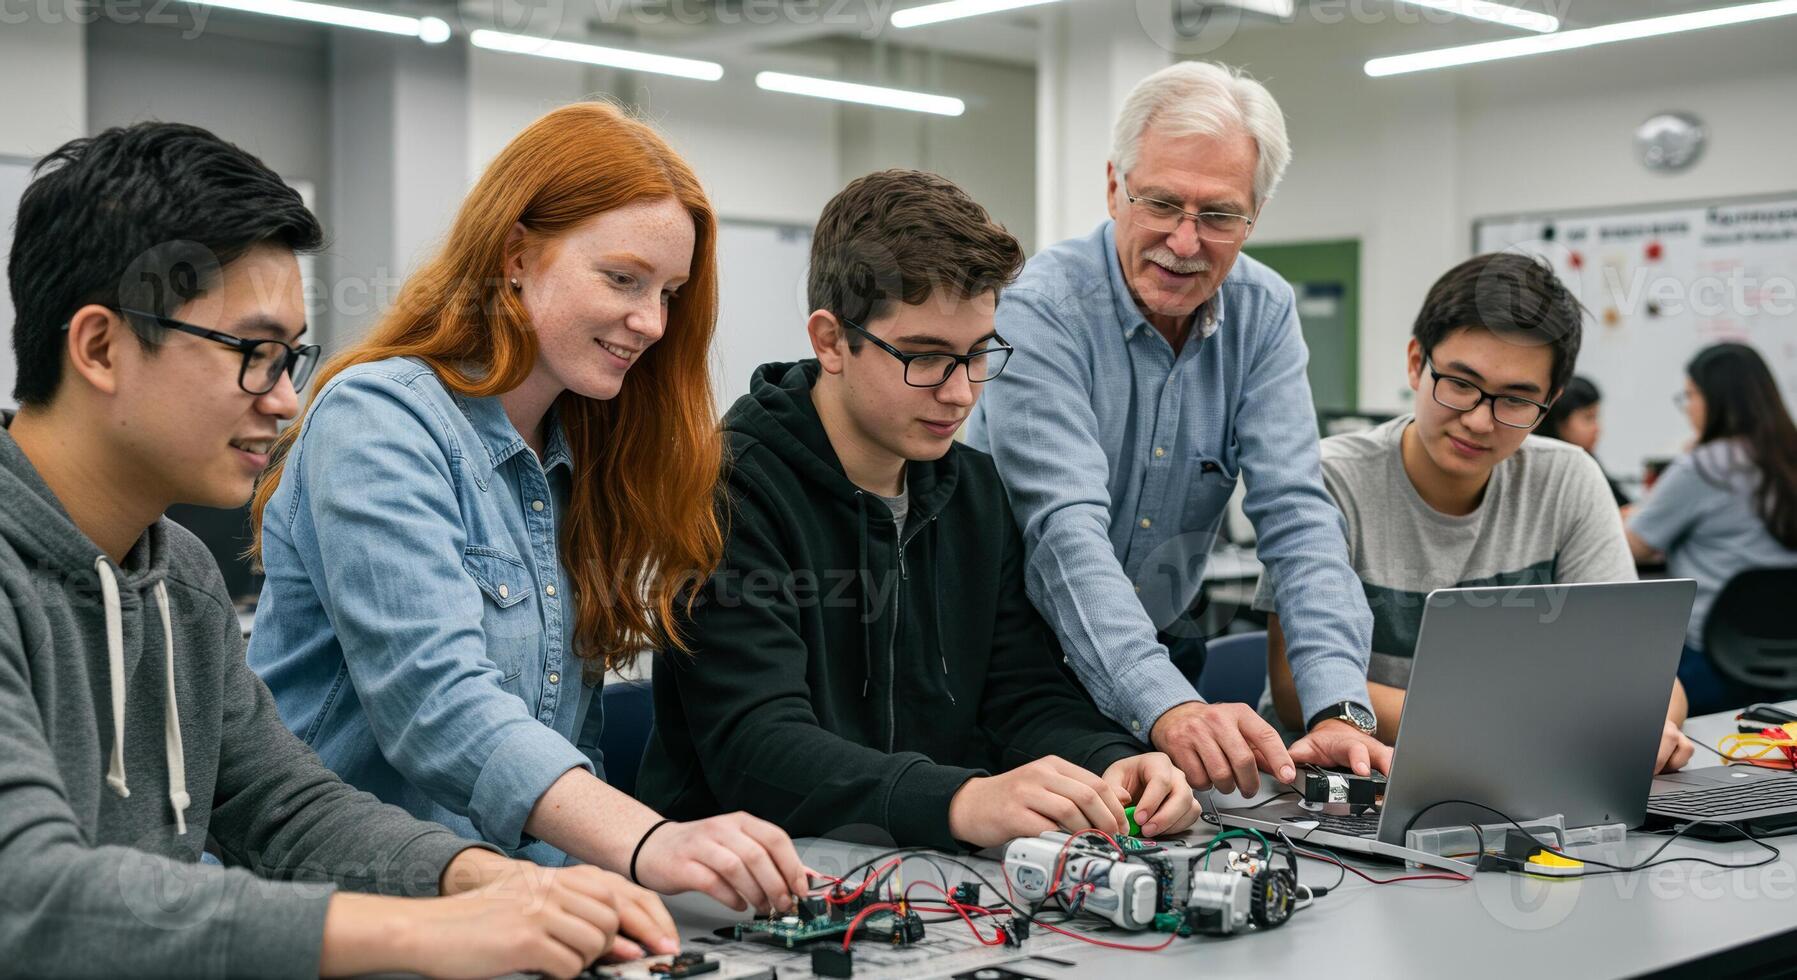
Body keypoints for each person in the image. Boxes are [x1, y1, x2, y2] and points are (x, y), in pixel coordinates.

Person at [0, 121, 655, 979]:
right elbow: (30, 896)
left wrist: (487, 880)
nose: (283, 400)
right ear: (99, 346)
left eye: (290, 358)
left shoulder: (180, 578)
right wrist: (428, 934)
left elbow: (287, 807)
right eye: (253, 355)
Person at [246, 103, 809, 917]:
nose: (651, 322)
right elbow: (437, 709)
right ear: (515, 256)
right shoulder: (380, 418)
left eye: (669, 292)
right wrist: (650, 842)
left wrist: (608, 898)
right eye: (622, 279)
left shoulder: (580, 455)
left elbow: (560, 750)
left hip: (510, 914)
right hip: (345, 914)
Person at [639, 170, 1203, 850]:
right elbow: (757, 750)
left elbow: (1020, 696)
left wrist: (1111, 760)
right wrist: (962, 801)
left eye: (976, 355)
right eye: (925, 358)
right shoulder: (727, 492)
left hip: (932, 876)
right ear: (829, 341)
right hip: (750, 888)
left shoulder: (976, 493)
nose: (961, 394)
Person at [965, 61, 1384, 799]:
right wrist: (1170, 707)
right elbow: (1063, 528)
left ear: (1253, 218)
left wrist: (1339, 709)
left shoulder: (1263, 311)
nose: (1184, 242)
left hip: (1163, 653)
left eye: (1218, 215)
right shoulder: (1042, 309)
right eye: (1160, 203)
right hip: (1017, 671)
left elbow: (1297, 516)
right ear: (1112, 189)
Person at [1257, 254, 1692, 774]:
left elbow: (1644, 672)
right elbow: (1292, 688)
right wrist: (1526, 727)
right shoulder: (1332, 479)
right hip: (1344, 782)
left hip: (1526, 775)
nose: (1480, 421)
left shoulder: (1567, 479)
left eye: (1515, 400)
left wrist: (1645, 724)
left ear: (1549, 402)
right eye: (1461, 384)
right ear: (1417, 362)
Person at [1626, 342, 1797, 715]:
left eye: (1689, 396)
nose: (1688, 408)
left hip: (1712, 661)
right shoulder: (1789, 454)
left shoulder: (1702, 467)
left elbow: (1632, 546)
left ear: (1716, 399)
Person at [1536, 375, 1630, 506]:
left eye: (1597, 417)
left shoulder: (1588, 460)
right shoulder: (1546, 470)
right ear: (1559, 421)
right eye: (1588, 418)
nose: (1597, 429)